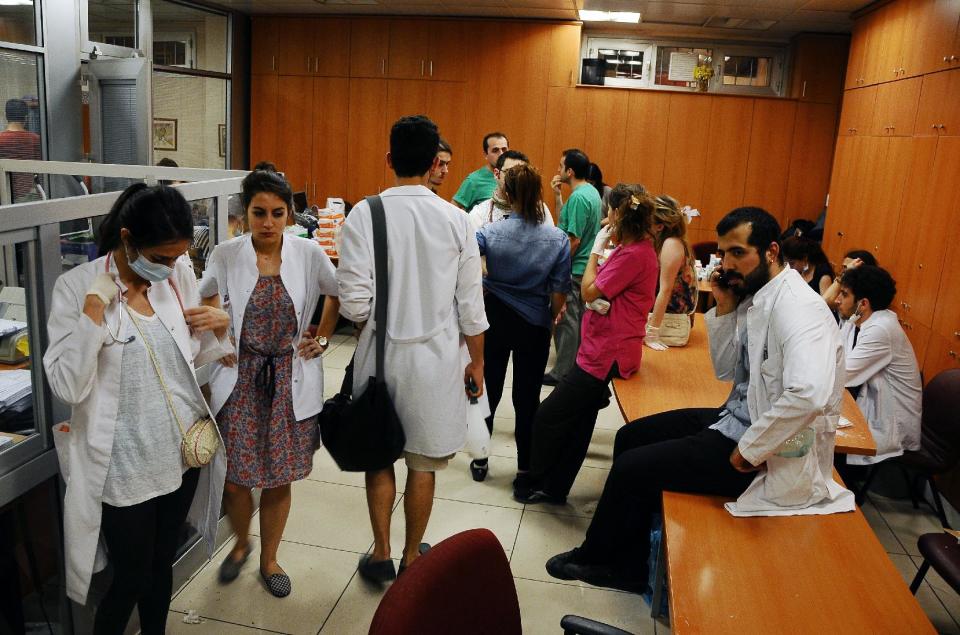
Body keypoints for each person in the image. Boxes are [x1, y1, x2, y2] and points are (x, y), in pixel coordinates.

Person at [544, 207, 850, 593]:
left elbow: (808, 395)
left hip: (766, 449)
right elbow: (726, 371)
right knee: (631, 437)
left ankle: (606, 563)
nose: (727, 264)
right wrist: (722, 306)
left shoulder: (798, 309)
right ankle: (631, 550)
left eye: (738, 253)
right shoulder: (757, 297)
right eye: (723, 254)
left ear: (771, 251)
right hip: (740, 417)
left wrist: (750, 450)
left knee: (632, 468)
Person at [43, 184, 232, 633]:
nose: (171, 267)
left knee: (160, 564)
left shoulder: (177, 275)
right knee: (130, 578)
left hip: (178, 453)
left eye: (178, 257)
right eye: (162, 257)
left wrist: (219, 324)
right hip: (123, 465)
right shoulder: (76, 287)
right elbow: (68, 385)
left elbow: (189, 356)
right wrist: (93, 309)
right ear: (127, 238)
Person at [337, 115, 487, 582]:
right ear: (432, 164)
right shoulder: (457, 220)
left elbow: (354, 301)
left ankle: (380, 553)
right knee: (423, 464)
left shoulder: (365, 213)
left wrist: (380, 318)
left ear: (389, 160)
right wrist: (478, 362)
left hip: (380, 358)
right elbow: (470, 304)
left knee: (380, 455)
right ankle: (411, 559)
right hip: (437, 362)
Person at [199, 169, 340, 598]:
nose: (268, 222)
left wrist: (322, 336)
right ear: (244, 214)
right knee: (237, 478)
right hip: (240, 376)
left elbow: (336, 292)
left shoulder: (307, 252)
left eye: (278, 213)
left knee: (279, 477)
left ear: (289, 215)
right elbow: (205, 295)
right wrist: (218, 338)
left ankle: (270, 558)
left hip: (288, 376)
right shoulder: (226, 253)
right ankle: (242, 541)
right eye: (259, 213)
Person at [517, 185, 658, 504]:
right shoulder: (632, 249)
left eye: (609, 211)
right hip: (600, 346)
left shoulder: (635, 253)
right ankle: (554, 489)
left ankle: (534, 478)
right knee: (579, 424)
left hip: (607, 353)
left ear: (619, 214)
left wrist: (595, 250)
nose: (605, 217)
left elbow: (589, 291)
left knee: (548, 417)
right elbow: (600, 292)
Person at [470, 163, 570, 484]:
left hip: (495, 318)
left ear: (508, 195)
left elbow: (466, 261)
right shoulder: (557, 239)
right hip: (535, 324)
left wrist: (487, 276)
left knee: (491, 390)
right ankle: (525, 466)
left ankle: (481, 460)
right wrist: (552, 319)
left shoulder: (488, 232)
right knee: (527, 399)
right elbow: (558, 292)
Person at [833, 265, 921, 467]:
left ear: (863, 303)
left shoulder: (881, 328)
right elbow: (833, 355)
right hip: (872, 403)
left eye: (844, 294)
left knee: (826, 436)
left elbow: (842, 374)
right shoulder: (857, 320)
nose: (837, 300)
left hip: (891, 420)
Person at [543, 148, 602, 386]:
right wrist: (557, 196)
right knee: (576, 319)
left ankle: (563, 372)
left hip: (574, 267)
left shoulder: (579, 197)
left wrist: (558, 267)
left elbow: (573, 239)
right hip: (584, 267)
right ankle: (572, 368)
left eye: (560, 166)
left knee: (567, 321)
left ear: (570, 171)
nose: (557, 171)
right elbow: (563, 224)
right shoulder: (590, 193)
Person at [643, 195, 698, 350]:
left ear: (659, 227)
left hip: (669, 317)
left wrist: (652, 332)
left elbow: (665, 290)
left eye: (647, 221)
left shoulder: (671, 244)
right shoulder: (663, 242)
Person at [467, 150, 554, 231]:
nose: (517, 179)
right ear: (497, 174)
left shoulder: (540, 208)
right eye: (510, 173)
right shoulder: (480, 213)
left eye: (522, 174)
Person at [452, 131, 508, 212]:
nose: (501, 154)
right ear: (485, 155)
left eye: (504, 149)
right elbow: (453, 210)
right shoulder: (474, 180)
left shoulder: (513, 176)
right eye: (495, 150)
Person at [0, 98, 41, 201]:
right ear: (26, 117)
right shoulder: (35, 139)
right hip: (29, 195)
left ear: (6, 116)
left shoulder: (1, 140)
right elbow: (39, 169)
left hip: (6, 197)